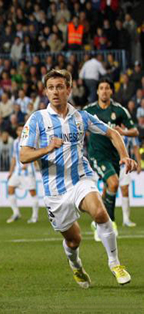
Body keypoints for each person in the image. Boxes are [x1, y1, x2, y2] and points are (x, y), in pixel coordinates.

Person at [20, 69, 137, 288]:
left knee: (101, 213)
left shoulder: (81, 116)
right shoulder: (37, 119)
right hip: (55, 191)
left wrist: (124, 156)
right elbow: (23, 155)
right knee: (74, 240)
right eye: (51, 88)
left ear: (69, 90)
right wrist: (46, 148)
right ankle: (76, 265)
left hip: (81, 179)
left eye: (60, 87)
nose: (55, 92)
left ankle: (115, 264)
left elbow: (113, 133)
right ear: (46, 91)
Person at [84, 78, 138, 240]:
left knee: (109, 188)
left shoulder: (119, 110)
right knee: (114, 183)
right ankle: (109, 223)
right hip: (97, 155)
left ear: (111, 91)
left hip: (115, 157)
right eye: (101, 88)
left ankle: (98, 221)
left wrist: (123, 132)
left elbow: (134, 131)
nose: (104, 91)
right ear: (98, 91)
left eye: (107, 88)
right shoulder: (89, 110)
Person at [6, 126, 39, 224]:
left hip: (28, 172)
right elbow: (14, 158)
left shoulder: (30, 141)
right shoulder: (15, 142)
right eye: (18, 130)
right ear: (16, 131)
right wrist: (10, 172)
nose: (20, 131)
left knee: (32, 192)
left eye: (22, 130)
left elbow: (35, 154)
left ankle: (35, 216)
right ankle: (16, 213)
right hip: (17, 172)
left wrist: (29, 163)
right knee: (10, 188)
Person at [119, 135, 141, 227]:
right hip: (110, 163)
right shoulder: (109, 127)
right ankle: (103, 220)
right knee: (107, 190)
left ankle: (126, 219)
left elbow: (135, 147)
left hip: (124, 165)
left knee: (125, 190)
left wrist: (139, 163)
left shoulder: (129, 132)